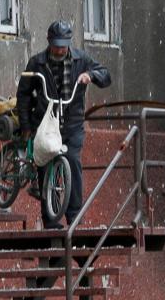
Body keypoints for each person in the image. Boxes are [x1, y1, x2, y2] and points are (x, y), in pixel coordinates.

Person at [16, 20, 112, 228]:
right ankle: (50, 221)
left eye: (64, 44)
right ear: (49, 42)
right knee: (44, 162)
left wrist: (91, 75)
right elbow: (23, 94)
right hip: (45, 123)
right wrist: (26, 126)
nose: (60, 49)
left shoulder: (81, 59)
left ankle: (75, 218)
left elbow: (106, 75)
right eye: (56, 44)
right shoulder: (37, 63)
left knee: (72, 162)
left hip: (72, 123)